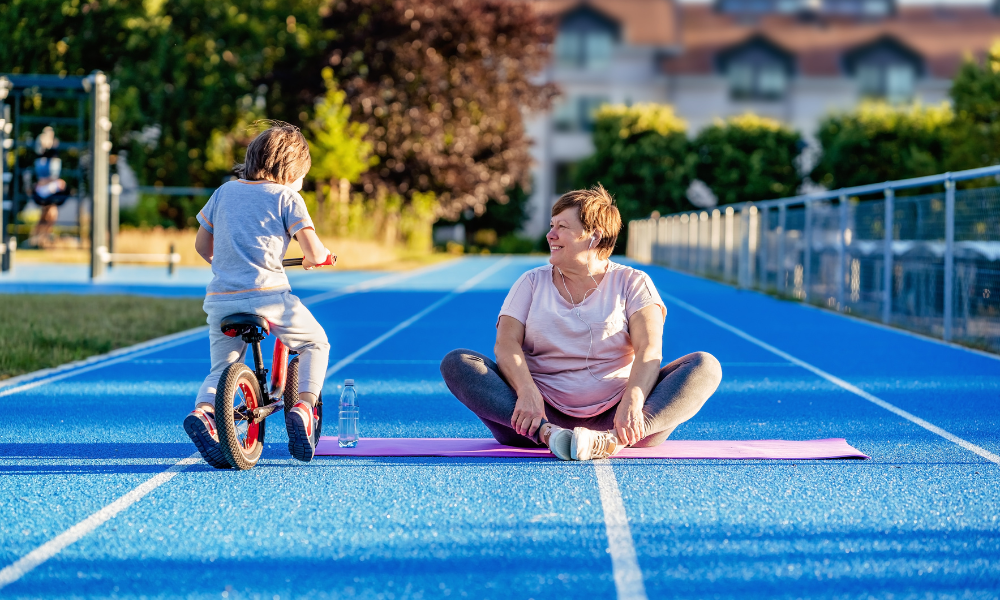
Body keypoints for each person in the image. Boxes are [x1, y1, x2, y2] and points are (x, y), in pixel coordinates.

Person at [440, 185, 722, 461]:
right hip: (534, 416)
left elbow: (649, 349)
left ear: (594, 236)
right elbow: (506, 344)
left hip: (623, 417)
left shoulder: (633, 283)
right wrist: (527, 393)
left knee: (705, 366)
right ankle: (552, 436)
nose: (550, 235)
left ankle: (612, 441)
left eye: (562, 227)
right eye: (552, 226)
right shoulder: (530, 282)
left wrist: (633, 402)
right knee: (457, 362)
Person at [184, 122, 333, 466]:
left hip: (221, 298)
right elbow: (312, 249)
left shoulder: (224, 192)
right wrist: (318, 258)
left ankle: (206, 413)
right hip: (269, 295)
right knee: (315, 343)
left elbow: (201, 244)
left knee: (223, 367)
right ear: (292, 171)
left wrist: (225, 266)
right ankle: (305, 408)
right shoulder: (287, 197)